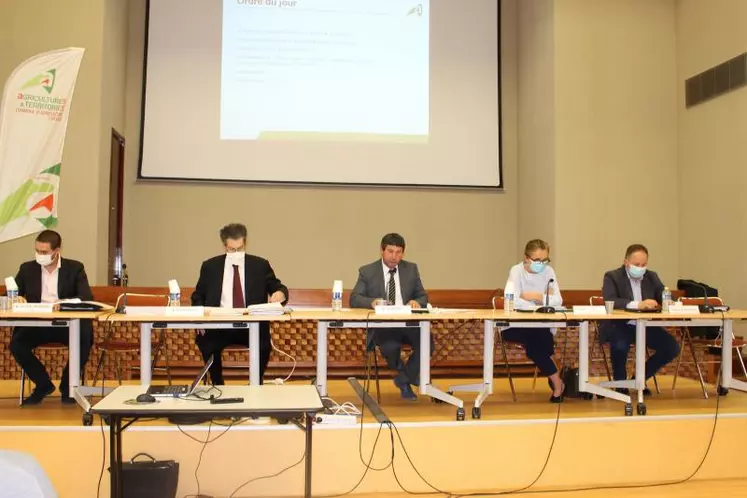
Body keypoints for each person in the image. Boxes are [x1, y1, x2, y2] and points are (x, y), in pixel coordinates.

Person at [191, 223, 288, 385]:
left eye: (240, 248)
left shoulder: (259, 265)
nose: (237, 253)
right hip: (219, 324)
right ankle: (217, 383)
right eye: (232, 250)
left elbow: (277, 287)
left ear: (245, 243)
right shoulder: (210, 267)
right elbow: (198, 295)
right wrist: (200, 315)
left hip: (251, 324)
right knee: (207, 343)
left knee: (263, 344)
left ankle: (255, 384)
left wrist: (280, 293)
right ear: (225, 247)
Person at [9, 230, 93, 405]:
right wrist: (15, 298)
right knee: (17, 344)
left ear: (57, 251)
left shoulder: (75, 268)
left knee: (85, 337)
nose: (40, 255)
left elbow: (86, 297)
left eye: (44, 252)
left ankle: (68, 387)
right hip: (37, 324)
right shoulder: (27, 268)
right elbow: (10, 295)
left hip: (66, 324)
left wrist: (65, 303)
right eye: (37, 251)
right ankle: (43, 385)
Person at [350, 233, 429, 401]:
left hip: (408, 323)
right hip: (383, 325)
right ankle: (406, 379)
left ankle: (403, 379)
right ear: (382, 251)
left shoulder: (411, 269)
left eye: (399, 252)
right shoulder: (367, 271)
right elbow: (354, 298)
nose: (394, 257)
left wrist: (417, 301)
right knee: (390, 347)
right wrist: (372, 302)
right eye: (390, 251)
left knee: (428, 343)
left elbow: (423, 296)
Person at [600, 244, 679, 392]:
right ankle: (621, 384)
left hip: (644, 325)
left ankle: (639, 379)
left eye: (644, 264)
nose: (640, 268)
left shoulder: (651, 276)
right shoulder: (612, 276)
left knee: (671, 347)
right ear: (626, 262)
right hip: (619, 325)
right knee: (620, 346)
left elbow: (664, 294)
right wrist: (638, 304)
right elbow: (610, 300)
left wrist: (669, 301)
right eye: (636, 264)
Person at [502, 239, 565, 402]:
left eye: (545, 260)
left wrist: (535, 296)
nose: (541, 264)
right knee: (539, 341)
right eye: (537, 260)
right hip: (515, 324)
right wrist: (542, 301)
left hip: (541, 323)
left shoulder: (549, 272)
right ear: (526, 258)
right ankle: (558, 383)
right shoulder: (516, 271)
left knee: (540, 338)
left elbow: (558, 300)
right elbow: (512, 301)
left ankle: (557, 383)